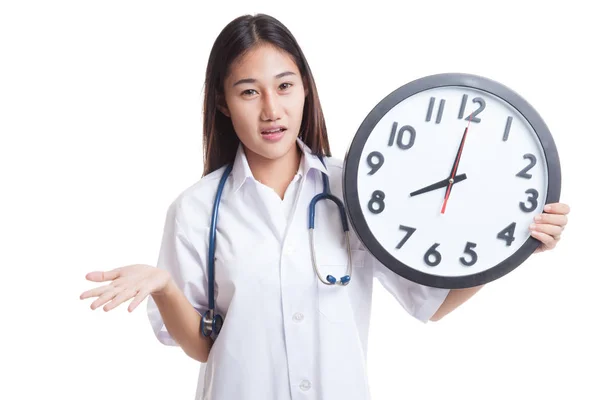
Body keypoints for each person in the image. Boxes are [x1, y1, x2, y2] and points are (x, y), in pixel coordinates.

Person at [79, 13, 571, 400]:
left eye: (285, 86)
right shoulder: (195, 210)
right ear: (224, 103)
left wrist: (511, 246)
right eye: (249, 91)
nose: (271, 109)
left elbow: (433, 303)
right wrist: (165, 286)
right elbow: (203, 348)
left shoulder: (356, 188)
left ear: (306, 89)